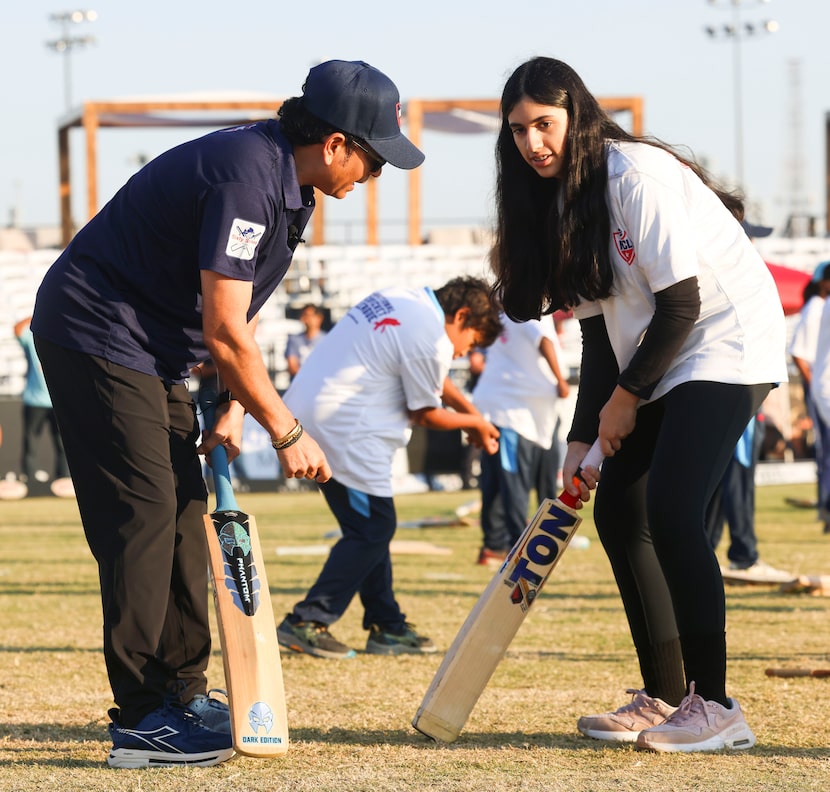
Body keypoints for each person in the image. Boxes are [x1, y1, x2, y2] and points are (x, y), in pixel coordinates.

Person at [29, 59, 424, 768]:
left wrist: (235, 407)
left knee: (185, 507)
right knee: (144, 516)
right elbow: (226, 331)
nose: (375, 176)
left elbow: (236, 322)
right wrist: (287, 429)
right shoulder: (248, 175)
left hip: (155, 349)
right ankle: (144, 716)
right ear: (334, 143)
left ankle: (182, 692)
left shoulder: (291, 188)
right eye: (372, 158)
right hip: (96, 331)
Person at [490, 57, 787, 753]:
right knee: (623, 508)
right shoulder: (565, 201)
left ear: (576, 115)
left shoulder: (633, 175)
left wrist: (624, 404)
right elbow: (597, 334)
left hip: (725, 340)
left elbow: (682, 304)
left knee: (676, 511)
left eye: (544, 124)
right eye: (518, 131)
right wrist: (579, 440)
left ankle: (716, 707)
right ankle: (664, 696)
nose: (533, 143)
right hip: (658, 353)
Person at [276, 276, 502, 659]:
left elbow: (432, 374)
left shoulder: (406, 299)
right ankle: (307, 621)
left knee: (369, 529)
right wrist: (476, 424)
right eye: (473, 340)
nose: (465, 352)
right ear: (461, 315)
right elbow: (424, 413)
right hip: (345, 428)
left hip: (313, 413)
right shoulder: (429, 337)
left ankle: (388, 625)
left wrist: (473, 414)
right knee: (373, 529)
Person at [471, 313, 570, 565]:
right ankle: (519, 547)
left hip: (497, 405)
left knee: (495, 482)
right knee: (513, 483)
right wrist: (560, 379)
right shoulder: (527, 306)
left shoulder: (503, 310)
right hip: (513, 410)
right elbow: (543, 340)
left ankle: (494, 545)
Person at [705, 413, 795, 584]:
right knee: (739, 486)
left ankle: (703, 553)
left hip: (724, 411)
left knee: (719, 485)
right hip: (743, 413)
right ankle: (743, 555)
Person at [789, 262, 830, 533]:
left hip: (820, 385)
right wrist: (811, 382)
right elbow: (798, 352)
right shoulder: (816, 307)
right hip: (822, 386)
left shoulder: (818, 306)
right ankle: (826, 509)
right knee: (826, 454)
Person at [13, 317, 72, 497]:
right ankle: (29, 480)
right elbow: (17, 329)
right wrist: (34, 315)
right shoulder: (30, 337)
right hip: (34, 400)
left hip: (57, 399)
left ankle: (65, 480)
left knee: (62, 444)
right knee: (31, 443)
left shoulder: (61, 338)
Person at [285, 303, 327, 380]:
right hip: (300, 386)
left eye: (309, 315)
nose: (306, 319)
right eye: (304, 315)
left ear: (319, 318)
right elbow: (292, 367)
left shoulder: (327, 340)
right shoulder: (294, 340)